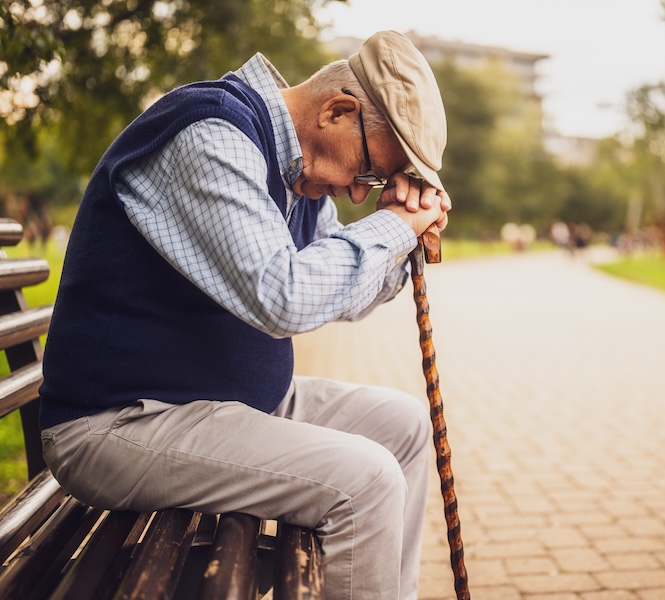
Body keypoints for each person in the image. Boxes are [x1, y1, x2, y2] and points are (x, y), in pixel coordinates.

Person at [38, 30, 450, 600]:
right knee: (365, 481)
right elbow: (285, 297)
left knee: (403, 425)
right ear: (337, 111)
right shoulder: (209, 134)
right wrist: (392, 228)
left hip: (221, 401)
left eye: (374, 182)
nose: (359, 194)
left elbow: (338, 295)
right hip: (119, 424)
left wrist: (402, 245)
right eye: (368, 169)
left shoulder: (297, 173)